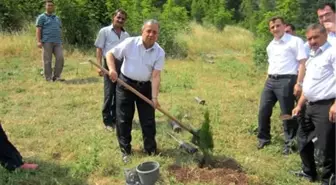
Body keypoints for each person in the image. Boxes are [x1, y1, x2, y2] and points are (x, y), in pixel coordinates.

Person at [106, 19, 165, 162]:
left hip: (145, 87)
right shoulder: (130, 43)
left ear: (157, 35)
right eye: (148, 31)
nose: (151, 34)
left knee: (148, 120)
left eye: (154, 32)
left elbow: (156, 76)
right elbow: (110, 54)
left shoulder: (159, 52)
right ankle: (125, 151)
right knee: (124, 119)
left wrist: (154, 98)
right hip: (125, 84)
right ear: (142, 31)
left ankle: (150, 150)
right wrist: (112, 69)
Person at [291, 24, 336, 185]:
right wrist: (299, 105)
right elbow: (308, 84)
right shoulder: (313, 56)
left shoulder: (332, 53)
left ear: (324, 35)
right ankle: (309, 172)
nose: (312, 41)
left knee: (326, 147)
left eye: (315, 37)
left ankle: (328, 180)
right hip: (309, 105)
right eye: (309, 38)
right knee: (302, 140)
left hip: (326, 107)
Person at [257, 16, 307, 155]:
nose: (275, 29)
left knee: (286, 113)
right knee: (263, 110)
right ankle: (263, 138)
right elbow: (271, 64)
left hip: (287, 80)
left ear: (284, 26)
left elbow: (302, 63)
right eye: (272, 27)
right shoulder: (270, 46)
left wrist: (299, 83)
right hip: (271, 80)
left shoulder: (295, 41)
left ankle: (290, 143)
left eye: (278, 25)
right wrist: (267, 79)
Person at [94, 9, 129, 131]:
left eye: (123, 19)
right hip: (108, 65)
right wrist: (99, 66)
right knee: (109, 93)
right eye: (118, 17)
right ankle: (107, 121)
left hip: (122, 66)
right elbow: (99, 49)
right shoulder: (104, 31)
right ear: (113, 17)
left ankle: (115, 118)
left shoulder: (126, 35)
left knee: (118, 93)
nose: (120, 20)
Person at [36, 0, 64, 82]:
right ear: (45, 6)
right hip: (47, 41)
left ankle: (57, 77)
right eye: (48, 5)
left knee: (60, 58)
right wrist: (39, 41)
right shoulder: (42, 17)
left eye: (52, 5)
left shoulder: (57, 18)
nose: (50, 7)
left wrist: (61, 40)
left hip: (57, 42)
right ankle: (48, 78)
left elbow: (59, 29)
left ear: (54, 7)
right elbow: (38, 29)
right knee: (47, 60)